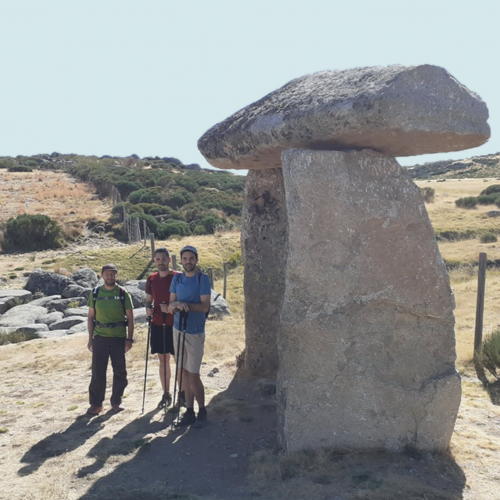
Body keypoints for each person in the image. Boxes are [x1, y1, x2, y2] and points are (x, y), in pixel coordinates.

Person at [168, 245, 211, 428]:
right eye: (184, 258)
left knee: (193, 373)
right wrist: (177, 304)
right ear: (181, 260)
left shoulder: (203, 279)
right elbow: (170, 304)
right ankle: (190, 411)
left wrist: (185, 305)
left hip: (194, 331)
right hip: (178, 329)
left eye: (191, 258)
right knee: (183, 371)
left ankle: (202, 409)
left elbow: (204, 306)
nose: (188, 262)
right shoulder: (177, 278)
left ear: (196, 260)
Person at [86, 263, 134, 416]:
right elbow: (91, 317)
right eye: (106, 274)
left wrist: (129, 339)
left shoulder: (122, 293)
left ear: (116, 276)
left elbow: (131, 319)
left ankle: (116, 401)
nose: (109, 276)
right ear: (101, 275)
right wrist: (90, 338)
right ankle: (96, 404)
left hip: (118, 337)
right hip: (100, 337)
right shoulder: (95, 293)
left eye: (112, 274)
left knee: (120, 371)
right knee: (98, 372)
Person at [145, 247, 179, 409]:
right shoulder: (151, 279)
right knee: (163, 360)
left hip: (176, 324)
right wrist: (148, 309)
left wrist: (173, 307)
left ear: (169, 260)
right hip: (158, 323)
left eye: (164, 259)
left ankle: (183, 393)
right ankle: (166, 394)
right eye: (157, 259)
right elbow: (148, 300)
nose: (161, 262)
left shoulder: (178, 277)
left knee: (178, 360)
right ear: (154, 260)